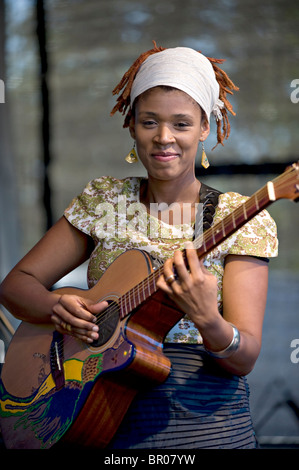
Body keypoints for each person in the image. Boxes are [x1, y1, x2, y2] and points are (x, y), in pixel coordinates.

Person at [0, 42, 278, 449]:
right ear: (131, 124)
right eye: (150, 122)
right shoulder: (103, 201)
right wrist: (55, 307)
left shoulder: (238, 217)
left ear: (204, 128)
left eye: (181, 124)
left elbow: (245, 356)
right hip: (95, 416)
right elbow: (15, 286)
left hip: (203, 426)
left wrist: (207, 318)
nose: (164, 138)